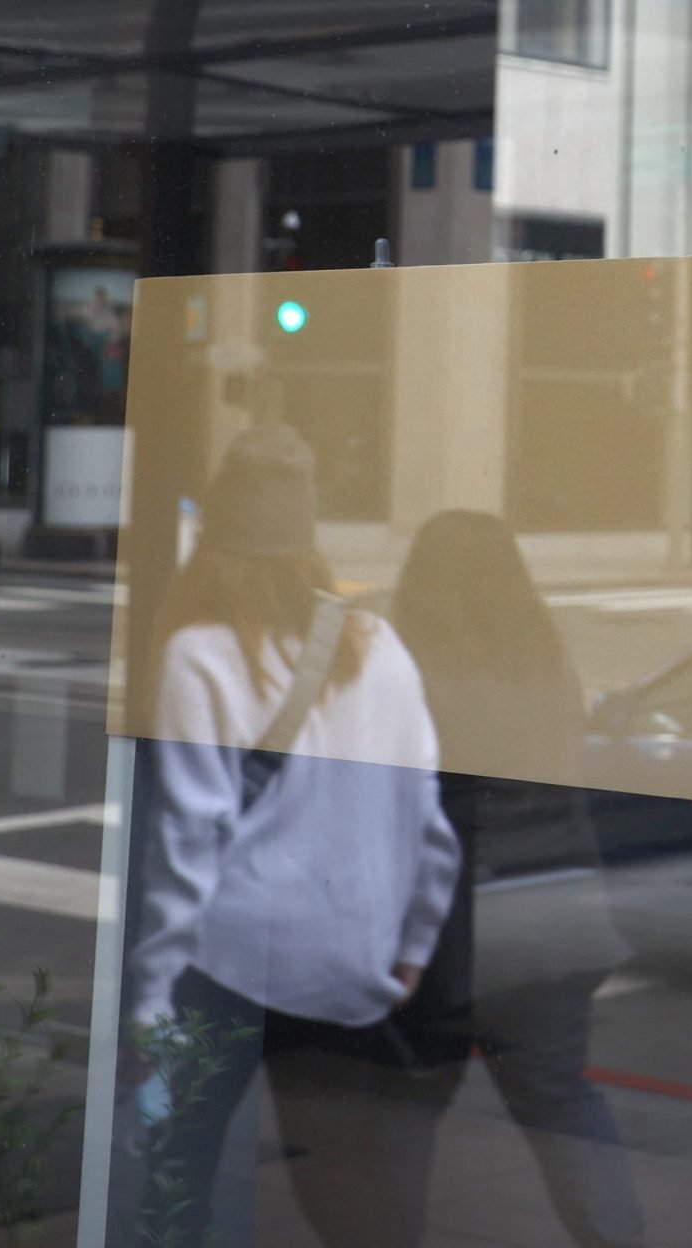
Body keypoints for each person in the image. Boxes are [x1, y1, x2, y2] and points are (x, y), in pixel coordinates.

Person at [122, 424, 462, 1247]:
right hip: (351, 962)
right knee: (352, 1193)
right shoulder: (378, 645)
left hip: (230, 962)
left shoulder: (199, 655)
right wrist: (411, 949)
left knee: (178, 1179)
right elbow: (428, 815)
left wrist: (153, 997)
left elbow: (190, 841)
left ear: (213, 538)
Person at [387, 509, 648, 1248]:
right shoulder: (547, 662)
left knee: (400, 1113)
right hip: (554, 912)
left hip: (445, 924)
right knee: (562, 1105)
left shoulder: (407, 669)